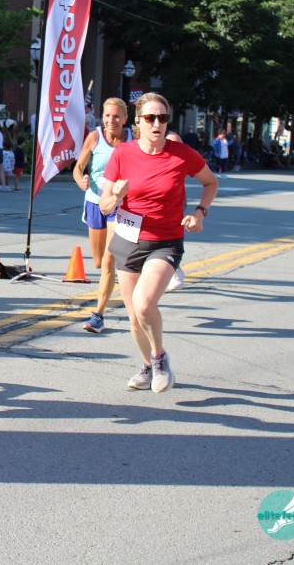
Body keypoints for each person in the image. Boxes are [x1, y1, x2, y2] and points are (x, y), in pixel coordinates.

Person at [99, 92, 218, 393]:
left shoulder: (182, 154)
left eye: (162, 118)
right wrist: (117, 195)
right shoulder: (122, 155)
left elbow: (210, 182)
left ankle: (159, 358)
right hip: (128, 240)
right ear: (138, 121)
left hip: (165, 241)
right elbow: (104, 206)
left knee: (144, 304)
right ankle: (147, 366)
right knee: (134, 317)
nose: (157, 124)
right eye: (150, 118)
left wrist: (200, 213)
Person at [73, 98, 134, 334]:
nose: (111, 120)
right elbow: (78, 167)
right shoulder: (94, 137)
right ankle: (115, 279)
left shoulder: (133, 139)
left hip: (118, 204)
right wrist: (81, 180)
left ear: (125, 118)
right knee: (98, 262)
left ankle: (98, 315)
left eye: (117, 116)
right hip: (94, 201)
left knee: (109, 260)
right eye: (107, 115)